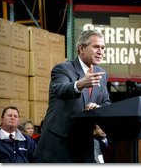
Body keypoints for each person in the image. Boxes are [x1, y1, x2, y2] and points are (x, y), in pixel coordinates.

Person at [33, 29, 111, 163]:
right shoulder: (63, 69)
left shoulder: (101, 73)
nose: (101, 51)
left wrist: (97, 107)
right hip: (58, 145)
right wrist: (80, 84)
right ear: (81, 48)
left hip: (84, 146)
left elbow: (106, 102)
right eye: (96, 47)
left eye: (103, 48)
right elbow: (60, 89)